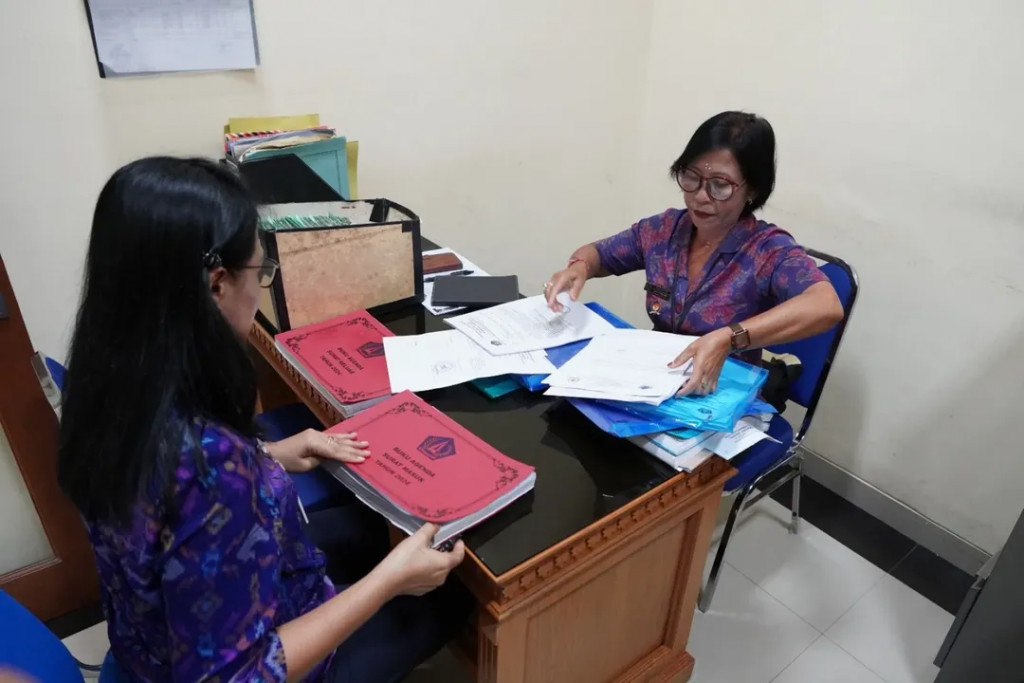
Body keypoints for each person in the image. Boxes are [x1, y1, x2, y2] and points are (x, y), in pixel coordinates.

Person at [57, 157, 470, 683]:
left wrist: (268, 454)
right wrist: (388, 583)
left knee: (371, 527)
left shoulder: (105, 381)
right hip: (238, 657)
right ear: (216, 285)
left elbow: (160, 490)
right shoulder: (208, 462)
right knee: (452, 594)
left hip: (151, 638)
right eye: (260, 271)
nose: (260, 288)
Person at [544, 111, 844, 395]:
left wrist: (730, 338)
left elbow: (826, 306)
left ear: (752, 189)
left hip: (720, 391)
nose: (700, 196)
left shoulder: (766, 250)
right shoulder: (664, 230)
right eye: (691, 177)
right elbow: (598, 254)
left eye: (720, 185)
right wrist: (579, 266)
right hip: (653, 380)